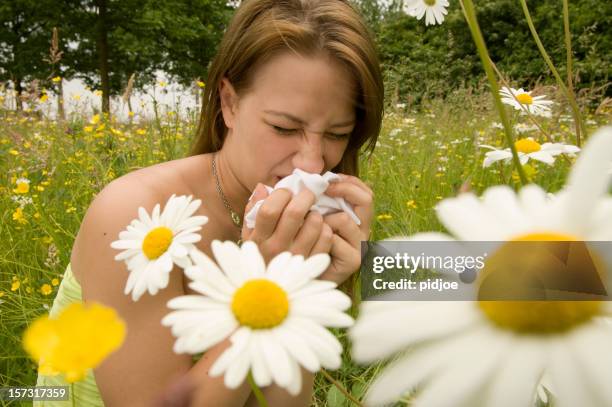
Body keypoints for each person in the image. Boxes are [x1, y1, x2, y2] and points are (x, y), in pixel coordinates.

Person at [35, 0, 383, 405]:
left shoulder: (308, 221)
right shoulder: (136, 217)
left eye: (337, 134)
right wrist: (267, 291)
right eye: (284, 127)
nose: (312, 161)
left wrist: (302, 296)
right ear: (229, 103)